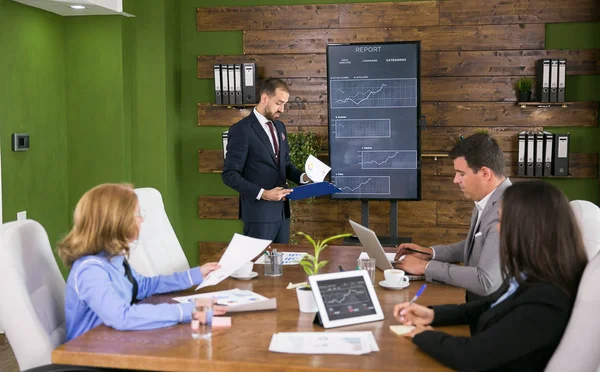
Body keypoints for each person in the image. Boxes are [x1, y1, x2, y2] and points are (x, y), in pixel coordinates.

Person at [393, 180, 588, 372]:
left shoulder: (546, 302)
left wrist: (422, 335)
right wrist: (433, 315)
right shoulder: (539, 277)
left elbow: (471, 356)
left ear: (527, 229)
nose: (496, 228)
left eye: (502, 220)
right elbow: (495, 306)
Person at [58, 183, 227, 342]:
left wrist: (196, 274)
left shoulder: (113, 258)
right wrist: (190, 311)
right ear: (117, 221)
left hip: (115, 343)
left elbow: (143, 286)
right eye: (137, 214)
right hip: (88, 357)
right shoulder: (90, 270)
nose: (142, 220)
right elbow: (122, 317)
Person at [395, 133, 511, 302]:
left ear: (485, 173)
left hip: (493, 311)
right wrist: (430, 253)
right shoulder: (489, 200)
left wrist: (426, 267)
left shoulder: (505, 210)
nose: (456, 180)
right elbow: (478, 244)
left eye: (461, 173)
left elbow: (485, 281)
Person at [222, 78, 310, 243]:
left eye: (284, 104)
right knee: (259, 267)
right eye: (279, 103)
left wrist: (304, 177)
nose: (282, 109)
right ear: (264, 99)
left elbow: (285, 164)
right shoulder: (241, 130)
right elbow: (229, 175)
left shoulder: (280, 127)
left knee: (280, 267)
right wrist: (263, 194)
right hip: (258, 216)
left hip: (282, 215)